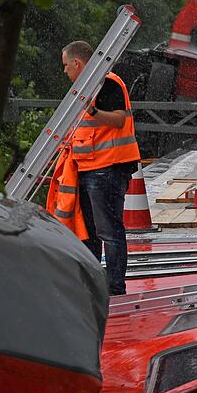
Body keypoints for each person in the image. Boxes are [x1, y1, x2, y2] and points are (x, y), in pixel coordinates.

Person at [61, 40, 140, 295]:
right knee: (92, 231)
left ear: (77, 63)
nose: (64, 72)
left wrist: (93, 111)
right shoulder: (85, 90)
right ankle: (95, 283)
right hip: (90, 168)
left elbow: (119, 120)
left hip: (107, 168)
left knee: (108, 230)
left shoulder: (106, 83)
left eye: (66, 66)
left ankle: (114, 286)